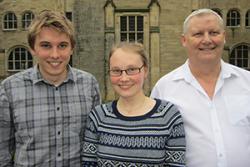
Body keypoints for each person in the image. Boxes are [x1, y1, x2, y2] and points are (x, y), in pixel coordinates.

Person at [151, 8, 250, 167]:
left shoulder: (247, 82)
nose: (207, 40)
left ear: (224, 37)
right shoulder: (165, 88)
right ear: (184, 40)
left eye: (213, 33)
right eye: (198, 34)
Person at [0, 10, 101, 166]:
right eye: (46, 45)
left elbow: (95, 144)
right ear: (33, 48)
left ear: (72, 48)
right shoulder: (10, 88)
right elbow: (2, 153)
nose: (55, 55)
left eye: (62, 45)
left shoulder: (89, 84)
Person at [81, 42, 185, 166]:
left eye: (131, 70)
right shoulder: (98, 116)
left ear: (145, 71)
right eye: (116, 70)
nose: (124, 78)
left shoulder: (168, 116)